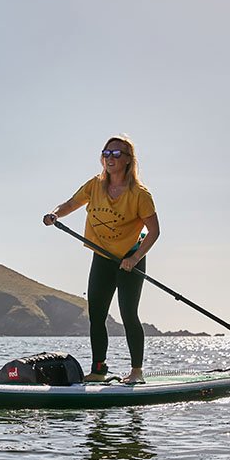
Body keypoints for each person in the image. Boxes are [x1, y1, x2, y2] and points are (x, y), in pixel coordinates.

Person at [43, 135, 160, 384]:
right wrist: (54, 214)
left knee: (129, 314)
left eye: (117, 154)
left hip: (130, 258)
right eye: (106, 154)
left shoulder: (140, 194)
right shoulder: (94, 185)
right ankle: (98, 369)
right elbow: (72, 203)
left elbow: (154, 231)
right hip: (102, 257)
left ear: (128, 161)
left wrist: (136, 257)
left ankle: (136, 372)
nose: (110, 158)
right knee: (96, 313)